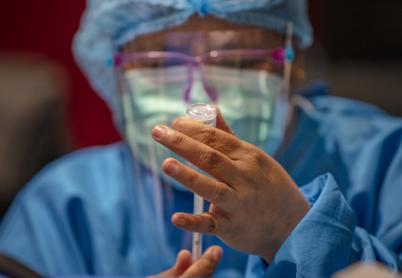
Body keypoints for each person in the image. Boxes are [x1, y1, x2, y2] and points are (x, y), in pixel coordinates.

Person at [0, 0, 402, 277]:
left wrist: (297, 232)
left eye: (236, 59)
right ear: (115, 72)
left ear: (292, 62)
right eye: (159, 61)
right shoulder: (66, 207)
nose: (201, 94)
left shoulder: (383, 163)